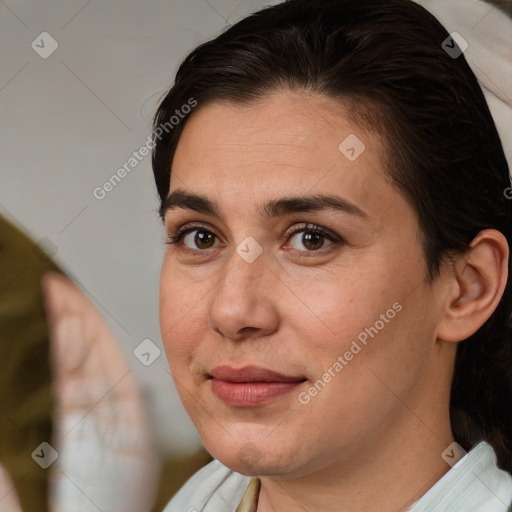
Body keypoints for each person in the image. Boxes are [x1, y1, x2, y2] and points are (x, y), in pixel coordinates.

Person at [151, 0, 512, 510]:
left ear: (466, 288)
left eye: (311, 239)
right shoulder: (198, 500)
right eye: (200, 237)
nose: (231, 311)